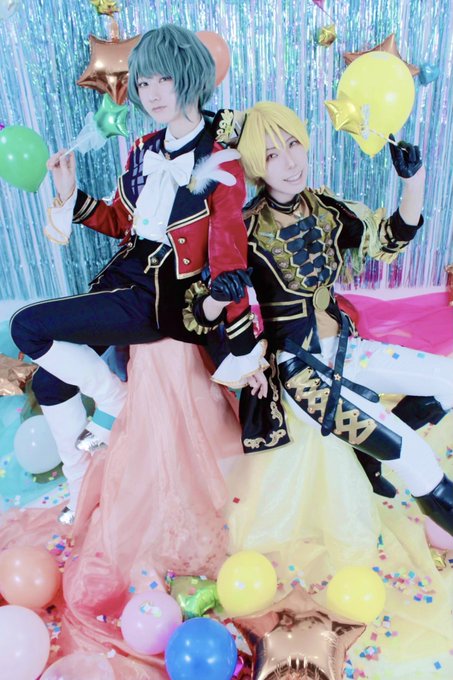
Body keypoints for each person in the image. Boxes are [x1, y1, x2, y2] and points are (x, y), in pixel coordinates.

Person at [9, 25, 267, 523]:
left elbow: (229, 256)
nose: (151, 93)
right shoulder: (143, 149)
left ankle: (114, 399)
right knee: (50, 385)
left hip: (162, 299)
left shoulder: (222, 160)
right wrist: (70, 192)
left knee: (26, 325)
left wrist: (243, 346)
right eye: (143, 82)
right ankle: (81, 494)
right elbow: (120, 222)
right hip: (122, 280)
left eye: (162, 79)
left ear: (190, 77)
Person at [192, 102, 453, 535]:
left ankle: (367, 454)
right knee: (415, 457)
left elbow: (388, 238)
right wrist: (221, 299)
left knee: (449, 378)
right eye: (272, 154)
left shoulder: (327, 208)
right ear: (255, 164)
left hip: (349, 348)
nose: (290, 162)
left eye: (293, 144)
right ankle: (380, 450)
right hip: (302, 371)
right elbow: (199, 312)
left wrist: (414, 182)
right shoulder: (243, 229)